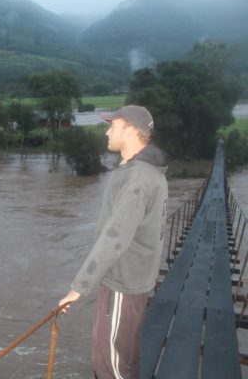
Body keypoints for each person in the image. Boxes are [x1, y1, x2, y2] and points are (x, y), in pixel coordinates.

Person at [58, 105, 168, 379]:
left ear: (130, 130)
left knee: (111, 365)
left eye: (113, 126)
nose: (107, 131)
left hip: (123, 283)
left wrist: (78, 288)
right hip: (131, 280)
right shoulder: (141, 172)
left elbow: (114, 238)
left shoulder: (138, 179)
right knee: (123, 354)